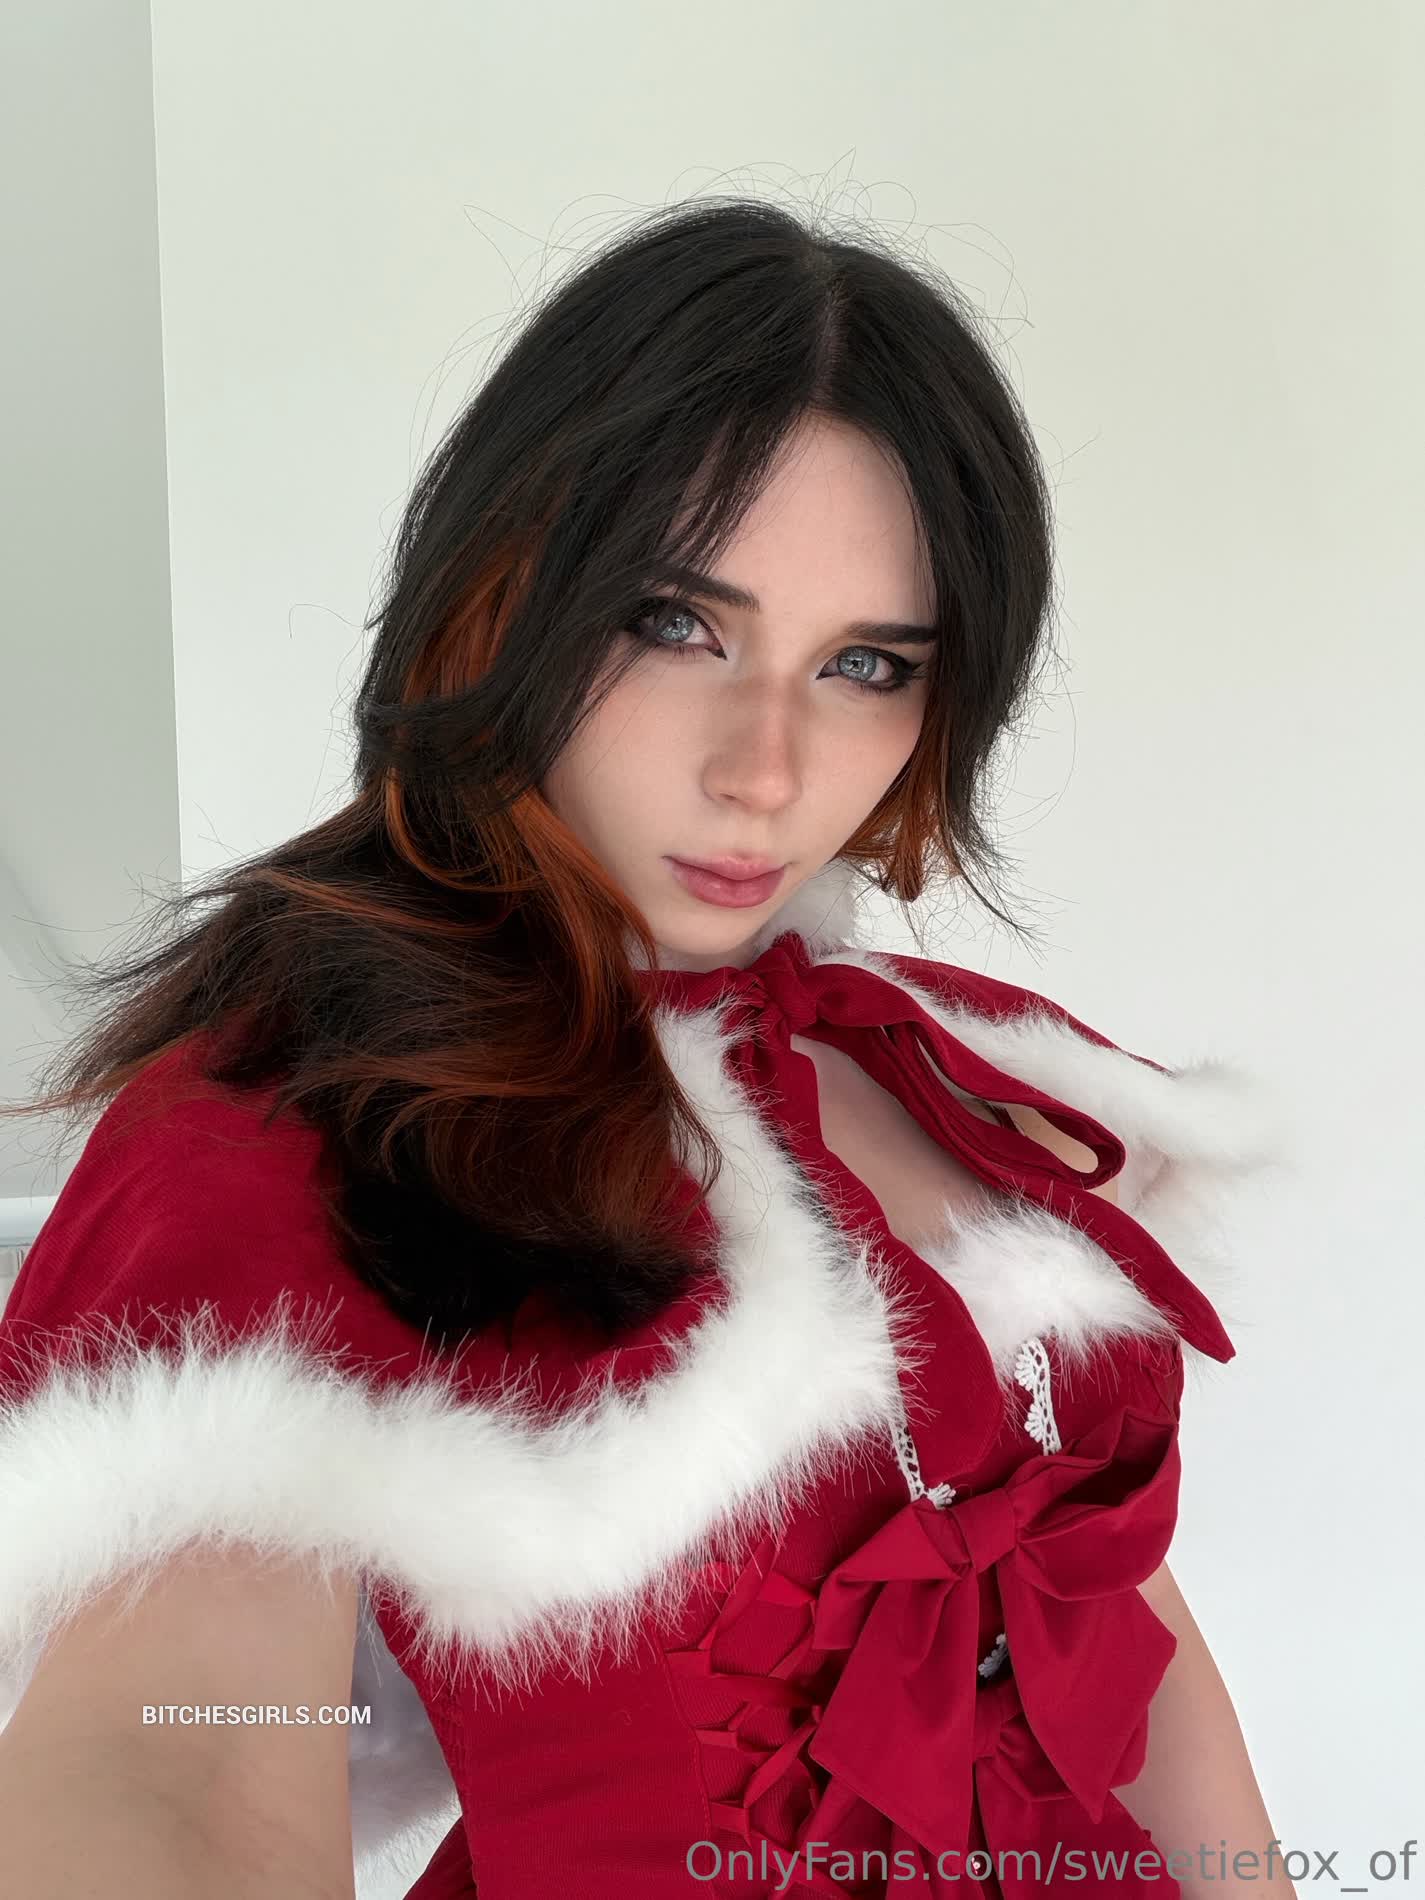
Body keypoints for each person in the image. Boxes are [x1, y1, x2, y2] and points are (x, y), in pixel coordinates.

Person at [0, 198, 1291, 1899]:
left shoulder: (961, 1083)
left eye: (864, 664)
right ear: (497, 596)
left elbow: (1121, 1637)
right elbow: (174, 1779)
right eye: (675, 623)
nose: (766, 768)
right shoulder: (292, 1131)